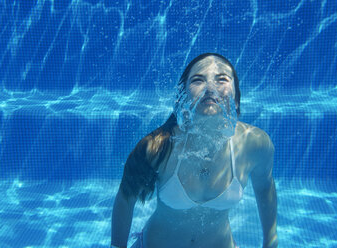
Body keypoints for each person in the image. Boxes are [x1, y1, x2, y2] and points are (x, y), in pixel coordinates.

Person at [111, 53, 278, 248]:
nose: (210, 88)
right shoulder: (158, 146)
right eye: (198, 80)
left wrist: (271, 242)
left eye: (222, 79)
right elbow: (126, 196)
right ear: (183, 95)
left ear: (236, 95)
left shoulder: (255, 143)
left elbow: (265, 188)